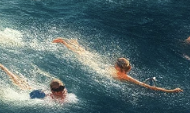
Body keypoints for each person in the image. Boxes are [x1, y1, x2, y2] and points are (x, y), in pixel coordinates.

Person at [52, 39, 182, 92]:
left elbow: (147, 86)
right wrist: (171, 90)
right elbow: (146, 86)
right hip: (98, 69)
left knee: (82, 53)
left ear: (119, 67)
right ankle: (66, 43)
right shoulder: (123, 76)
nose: (114, 64)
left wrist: (171, 90)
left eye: (116, 64)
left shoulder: (122, 76)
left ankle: (66, 43)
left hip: (98, 68)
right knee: (82, 53)